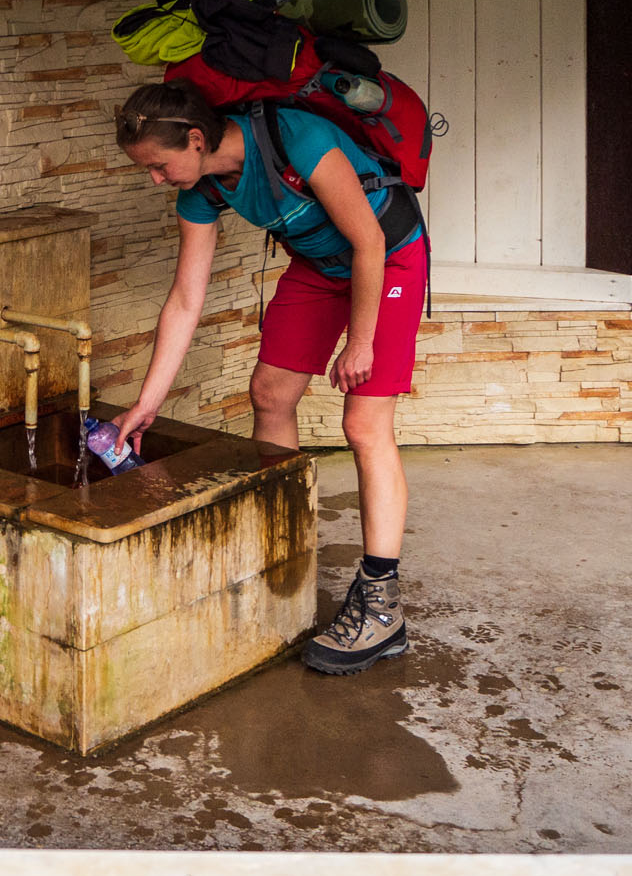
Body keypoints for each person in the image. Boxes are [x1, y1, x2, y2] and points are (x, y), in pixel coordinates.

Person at [107, 79, 428, 675]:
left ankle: (382, 606)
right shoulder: (203, 187)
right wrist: (145, 403)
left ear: (196, 138)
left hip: (387, 257)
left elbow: (369, 241)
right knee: (270, 393)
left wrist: (360, 342)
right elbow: (184, 298)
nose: (155, 178)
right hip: (318, 266)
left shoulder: (297, 138)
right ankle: (285, 554)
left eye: (157, 165)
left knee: (363, 423)